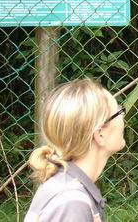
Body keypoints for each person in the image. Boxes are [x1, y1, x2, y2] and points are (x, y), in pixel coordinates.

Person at [24, 79, 126, 222]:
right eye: (119, 111)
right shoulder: (72, 203)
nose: (123, 117)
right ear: (100, 134)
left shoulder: (67, 188)